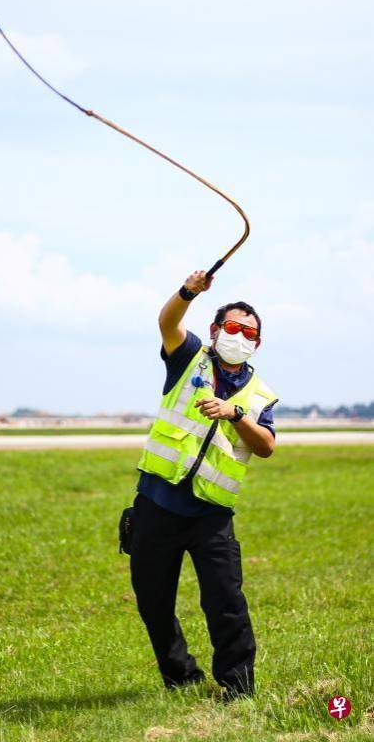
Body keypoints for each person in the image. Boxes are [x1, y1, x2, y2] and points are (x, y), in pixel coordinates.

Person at [130, 269, 278, 701]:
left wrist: (234, 415)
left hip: (211, 515)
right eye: (232, 327)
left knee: (226, 603)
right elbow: (167, 323)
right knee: (152, 601)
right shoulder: (189, 357)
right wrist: (188, 291)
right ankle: (181, 676)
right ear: (215, 331)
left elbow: (267, 446)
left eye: (248, 332)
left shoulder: (259, 394)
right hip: (157, 504)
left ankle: (237, 688)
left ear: (257, 343)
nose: (239, 335)